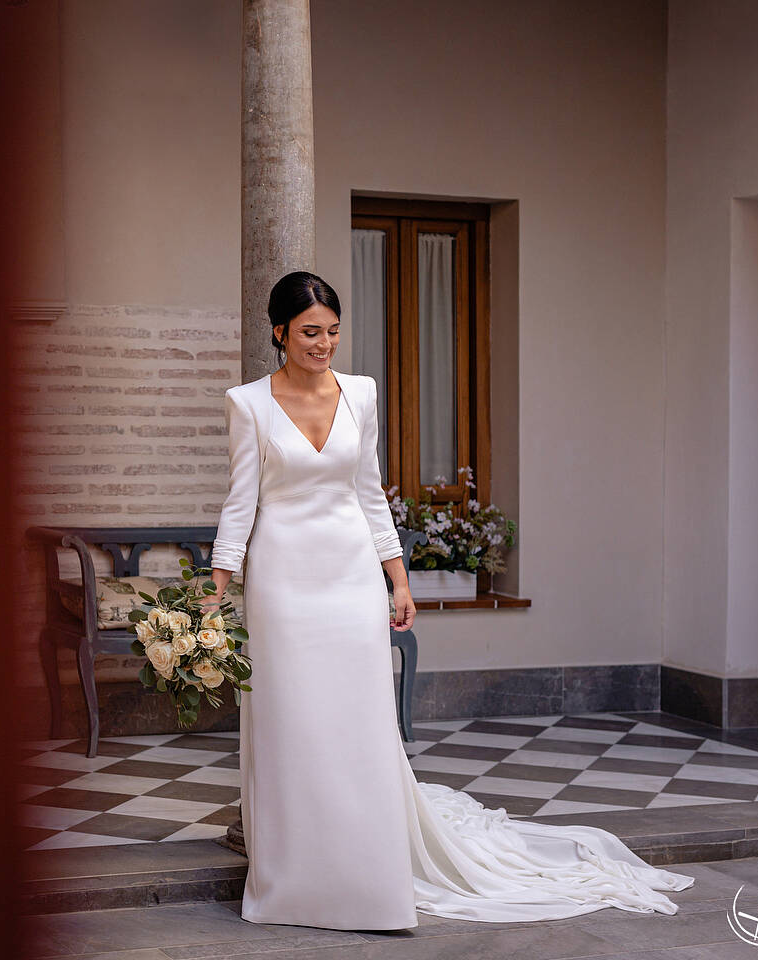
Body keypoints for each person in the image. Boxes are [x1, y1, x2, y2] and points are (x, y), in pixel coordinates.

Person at [200, 270, 694, 930]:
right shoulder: (248, 403)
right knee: (292, 727)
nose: (324, 344)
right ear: (280, 332)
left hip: (350, 578)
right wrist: (215, 591)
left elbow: (371, 494)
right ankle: (295, 882)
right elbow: (241, 504)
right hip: (283, 583)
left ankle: (367, 879)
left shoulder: (362, 394)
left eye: (334, 332)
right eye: (311, 332)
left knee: (357, 725)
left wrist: (398, 581)